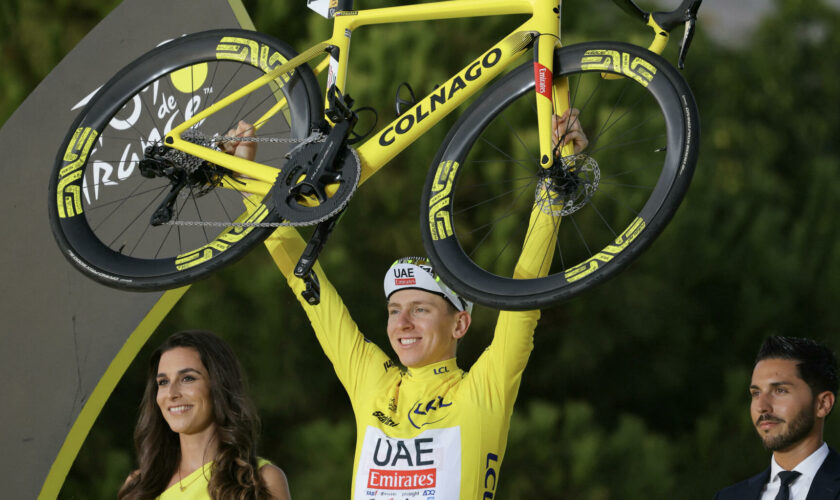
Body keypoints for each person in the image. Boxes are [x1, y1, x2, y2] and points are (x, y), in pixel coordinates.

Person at [255, 111, 587, 498]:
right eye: (395, 311)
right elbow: (311, 292)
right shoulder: (376, 385)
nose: (403, 324)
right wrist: (245, 175)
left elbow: (525, 295)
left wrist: (562, 170)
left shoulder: (481, 391)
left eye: (421, 309)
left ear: (459, 324)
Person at [118, 330, 291, 500]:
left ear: (219, 386)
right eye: (163, 382)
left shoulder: (260, 480)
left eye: (187, 378)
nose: (171, 393)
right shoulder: (138, 486)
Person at [715, 336, 840, 500]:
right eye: (756, 393)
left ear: (823, 404)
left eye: (780, 390)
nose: (762, 406)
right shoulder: (728, 497)